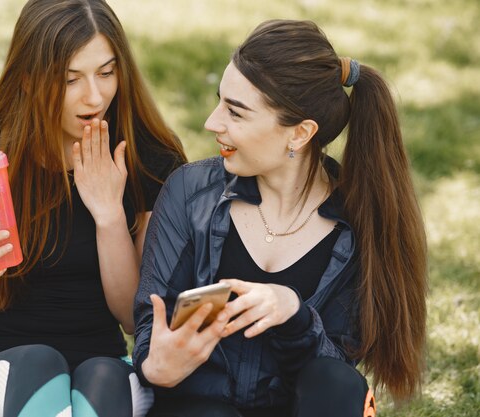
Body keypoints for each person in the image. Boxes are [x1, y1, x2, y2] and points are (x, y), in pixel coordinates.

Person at [133, 19, 427, 417]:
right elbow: (152, 321)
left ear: (300, 134)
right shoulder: (189, 192)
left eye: (236, 113)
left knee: (340, 382)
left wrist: (295, 315)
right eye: (220, 100)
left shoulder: (357, 225)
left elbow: (334, 379)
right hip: (197, 408)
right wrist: (156, 365)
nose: (212, 122)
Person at [0, 0, 185, 416]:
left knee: (104, 376)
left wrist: (109, 215)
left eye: (107, 73)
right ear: (30, 77)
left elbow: (133, 320)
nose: (95, 95)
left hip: (102, 372)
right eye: (70, 79)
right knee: (40, 363)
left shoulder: (149, 161)